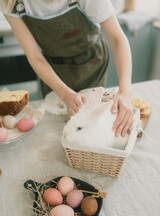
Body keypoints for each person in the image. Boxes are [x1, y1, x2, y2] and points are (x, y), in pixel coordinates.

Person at [1, 0, 133, 137]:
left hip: (91, 63)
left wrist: (125, 92)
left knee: (92, 124)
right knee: (57, 127)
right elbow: (35, 56)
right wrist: (65, 95)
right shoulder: (10, 3)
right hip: (52, 70)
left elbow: (117, 39)